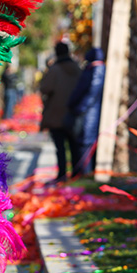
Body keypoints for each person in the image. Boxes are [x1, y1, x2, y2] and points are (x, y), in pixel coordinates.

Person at [40, 42, 82, 182]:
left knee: (60, 148)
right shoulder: (77, 68)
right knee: (74, 145)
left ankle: (62, 174)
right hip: (73, 113)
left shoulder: (55, 69)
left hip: (56, 114)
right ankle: (77, 173)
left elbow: (44, 88)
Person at [67, 47, 106, 175]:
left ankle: (85, 173)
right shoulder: (91, 69)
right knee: (81, 143)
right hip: (86, 113)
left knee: (86, 144)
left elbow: (91, 93)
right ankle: (81, 172)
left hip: (89, 115)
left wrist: (80, 108)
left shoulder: (97, 70)